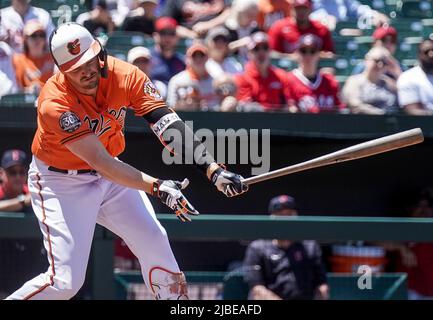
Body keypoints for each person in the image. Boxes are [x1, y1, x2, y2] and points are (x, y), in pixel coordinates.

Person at [5, 22, 248, 300]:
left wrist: (212, 168)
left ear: (100, 55)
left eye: (89, 61)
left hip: (111, 177)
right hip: (61, 183)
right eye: (75, 69)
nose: (85, 71)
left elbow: (166, 123)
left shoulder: (126, 75)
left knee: (155, 241)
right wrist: (157, 186)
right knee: (65, 282)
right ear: (62, 71)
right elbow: (101, 162)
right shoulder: (54, 102)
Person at [243, 195, 329, 300]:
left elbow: (322, 286)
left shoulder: (310, 247)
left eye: (289, 215)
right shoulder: (257, 248)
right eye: (280, 215)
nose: (285, 219)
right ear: (271, 217)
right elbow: (257, 289)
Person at [285, 34, 344, 113]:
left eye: (312, 51)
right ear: (297, 53)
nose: (308, 55)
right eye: (303, 51)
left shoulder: (330, 82)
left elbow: (340, 110)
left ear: (319, 54)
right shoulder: (288, 80)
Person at [235, 32, 291, 111]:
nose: (261, 53)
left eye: (265, 48)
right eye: (256, 49)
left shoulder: (281, 75)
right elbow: (246, 107)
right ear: (249, 53)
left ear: (270, 51)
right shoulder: (243, 77)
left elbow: (289, 104)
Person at [342, 47, 399, 114]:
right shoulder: (354, 81)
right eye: (377, 61)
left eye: (384, 63)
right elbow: (355, 105)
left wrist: (396, 71)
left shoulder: (389, 83)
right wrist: (380, 113)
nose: (380, 65)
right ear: (366, 60)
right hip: (362, 121)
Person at [268, 0, 334, 55]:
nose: (301, 12)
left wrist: (312, 55)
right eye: (298, 8)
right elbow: (272, 54)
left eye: (304, 8)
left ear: (310, 9)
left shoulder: (321, 29)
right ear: (292, 9)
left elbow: (329, 54)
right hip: (286, 68)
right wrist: (291, 57)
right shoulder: (279, 27)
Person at [167, 42, 219, 110]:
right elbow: (170, 106)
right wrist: (182, 105)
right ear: (187, 59)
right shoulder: (177, 81)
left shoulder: (215, 81)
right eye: (194, 56)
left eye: (202, 56)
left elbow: (219, 106)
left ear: (207, 58)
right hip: (185, 119)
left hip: (210, 119)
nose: (198, 59)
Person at [12, 20, 54, 95]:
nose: (38, 39)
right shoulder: (18, 60)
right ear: (25, 39)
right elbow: (15, 89)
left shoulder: (53, 58)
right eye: (34, 35)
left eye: (41, 35)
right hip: (27, 104)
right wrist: (28, 91)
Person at [397, 39, 433, 116]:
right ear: (419, 55)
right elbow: (412, 110)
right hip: (423, 125)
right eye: (426, 52)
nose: (431, 55)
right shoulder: (408, 77)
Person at [150, 17, 186, 87]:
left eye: (171, 33)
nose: (167, 37)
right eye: (163, 33)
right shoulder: (146, 58)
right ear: (155, 36)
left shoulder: (182, 61)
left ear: (177, 37)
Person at [310, 0, 389, 31]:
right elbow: (304, 13)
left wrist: (374, 14)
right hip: (316, 37)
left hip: (341, 35)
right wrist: (322, 18)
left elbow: (357, 9)